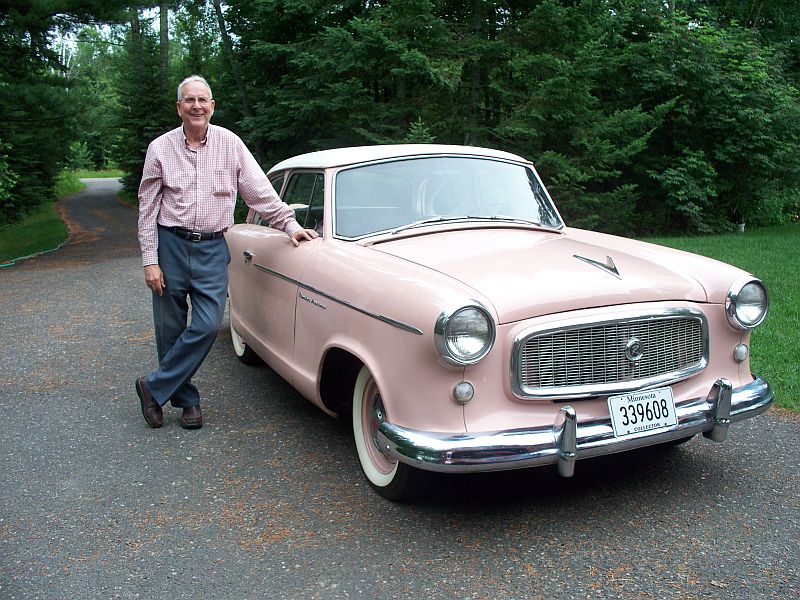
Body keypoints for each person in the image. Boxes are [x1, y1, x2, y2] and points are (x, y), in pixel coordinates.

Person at [135, 75, 317, 430]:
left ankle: (152, 387)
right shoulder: (160, 148)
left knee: (205, 326)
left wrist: (291, 226)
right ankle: (186, 400)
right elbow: (147, 209)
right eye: (190, 100)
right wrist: (150, 260)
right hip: (170, 244)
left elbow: (260, 193)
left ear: (212, 106)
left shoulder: (231, 145)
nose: (197, 106)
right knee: (169, 328)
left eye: (203, 100)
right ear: (179, 107)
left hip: (212, 247)